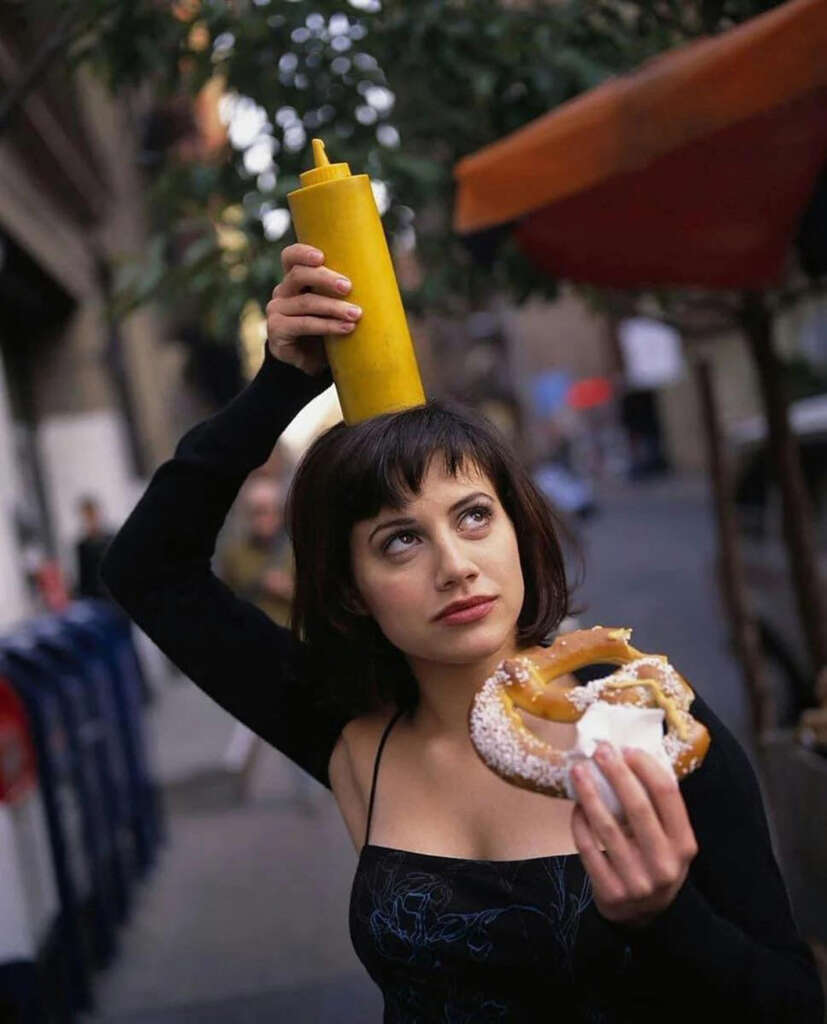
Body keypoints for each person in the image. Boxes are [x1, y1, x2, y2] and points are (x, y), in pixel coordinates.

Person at [100, 243, 824, 1022]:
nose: (454, 565)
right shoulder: (347, 730)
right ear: (349, 589)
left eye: (473, 516)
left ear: (517, 530)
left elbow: (793, 1002)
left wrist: (667, 916)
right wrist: (280, 386)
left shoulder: (643, 726)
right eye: (398, 541)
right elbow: (148, 570)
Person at [75, 494, 115, 600]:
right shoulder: (82, 546)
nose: (90, 521)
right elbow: (83, 579)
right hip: (94, 599)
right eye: (86, 517)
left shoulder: (111, 540)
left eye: (91, 516)